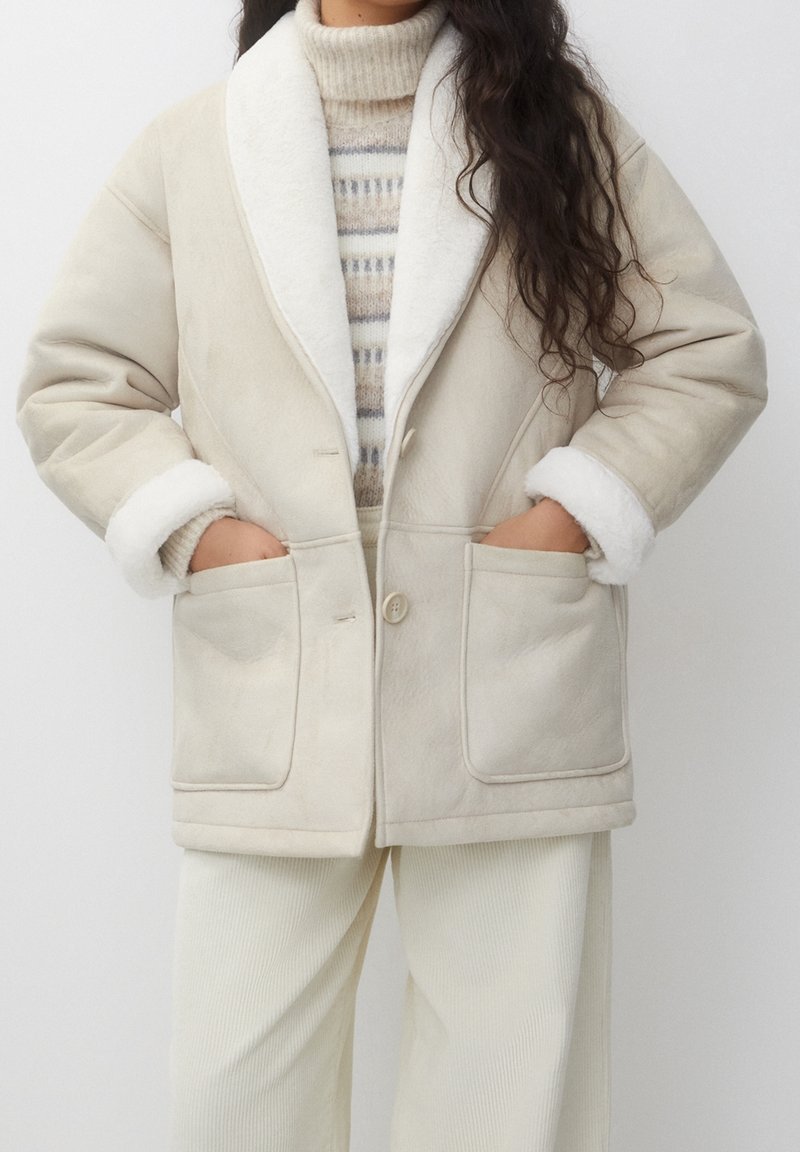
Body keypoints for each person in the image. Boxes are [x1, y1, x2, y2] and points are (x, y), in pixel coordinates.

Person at [14, 0, 768, 1148]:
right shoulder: (192, 146)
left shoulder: (553, 124)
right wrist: (199, 532)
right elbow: (75, 382)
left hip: (502, 660)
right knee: (232, 1103)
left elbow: (704, 345)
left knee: (505, 1102)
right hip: (275, 666)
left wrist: (570, 514)